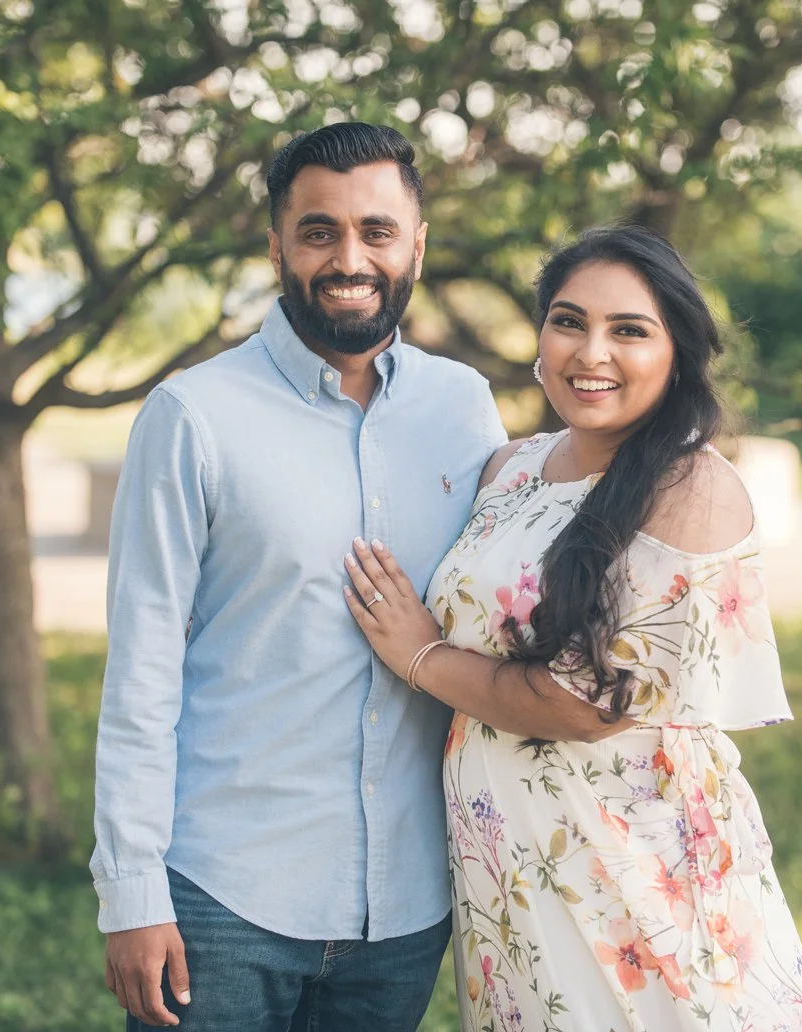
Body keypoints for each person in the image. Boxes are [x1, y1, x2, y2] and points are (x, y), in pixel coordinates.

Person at [342, 225, 802, 1030]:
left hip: (633, 863)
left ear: (676, 351)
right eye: (569, 321)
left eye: (629, 330)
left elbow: (585, 703)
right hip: (509, 860)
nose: (591, 352)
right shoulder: (513, 468)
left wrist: (420, 655)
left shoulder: (690, 486)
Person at [90, 121, 506, 1031]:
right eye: (319, 231)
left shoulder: (464, 408)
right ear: (276, 242)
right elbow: (141, 670)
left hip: (405, 907)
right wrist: (131, 889)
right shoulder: (192, 416)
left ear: (417, 245)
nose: (348, 257)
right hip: (223, 894)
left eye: (377, 231)